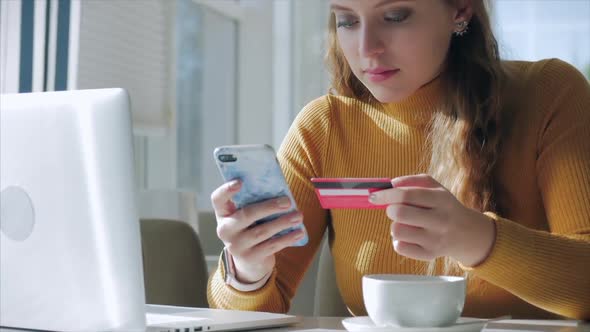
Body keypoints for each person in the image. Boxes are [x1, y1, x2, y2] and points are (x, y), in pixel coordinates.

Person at [207, 0, 590, 319]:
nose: (366, 48)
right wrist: (247, 272)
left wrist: (475, 238)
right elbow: (247, 315)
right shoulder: (324, 127)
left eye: (394, 16)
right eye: (347, 21)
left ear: (460, 10)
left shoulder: (550, 94)